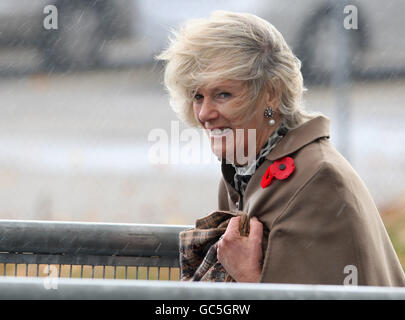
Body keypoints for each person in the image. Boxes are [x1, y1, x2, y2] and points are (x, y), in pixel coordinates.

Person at [156, 11, 405, 285]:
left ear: (271, 94)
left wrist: (246, 276)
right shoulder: (243, 169)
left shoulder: (318, 178)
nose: (204, 113)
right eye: (197, 96)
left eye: (223, 94)